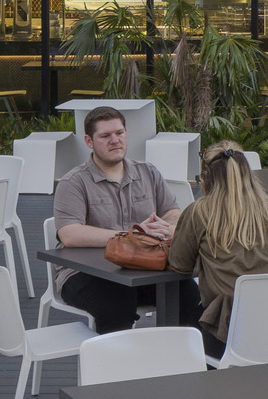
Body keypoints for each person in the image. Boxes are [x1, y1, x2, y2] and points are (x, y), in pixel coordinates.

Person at [51, 106, 184, 333]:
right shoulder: (74, 182)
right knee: (117, 303)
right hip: (84, 274)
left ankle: (185, 364)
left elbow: (173, 211)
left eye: (119, 133)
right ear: (89, 141)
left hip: (143, 268)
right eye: (105, 136)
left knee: (187, 294)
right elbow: (69, 234)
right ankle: (117, 367)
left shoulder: (148, 172)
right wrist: (131, 236)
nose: (115, 140)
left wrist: (168, 226)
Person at [166, 143, 268, 358]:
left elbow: (179, 265)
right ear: (248, 174)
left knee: (183, 300)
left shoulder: (200, 213)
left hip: (225, 330)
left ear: (205, 178)